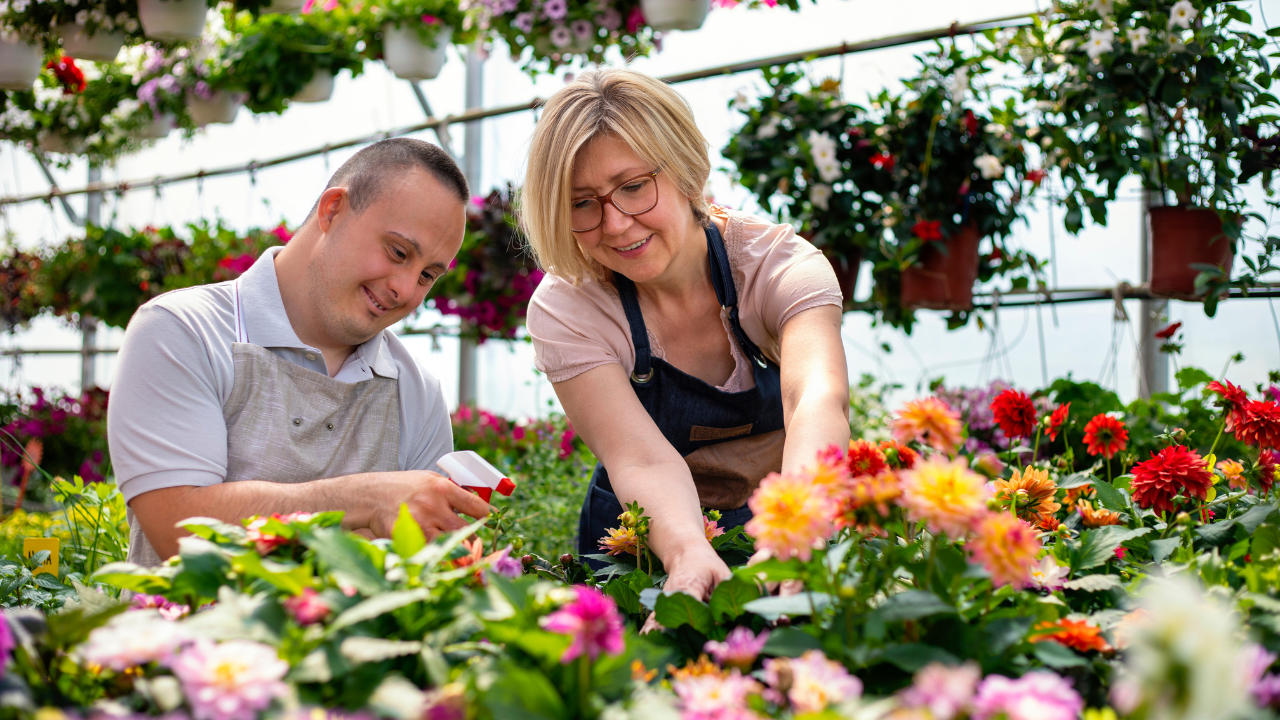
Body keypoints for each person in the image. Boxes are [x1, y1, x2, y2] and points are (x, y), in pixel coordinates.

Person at [522, 69, 851, 600]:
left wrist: (799, 527)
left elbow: (814, 398)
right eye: (582, 203)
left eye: (633, 187)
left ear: (687, 170)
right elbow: (639, 458)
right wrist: (687, 553)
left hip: (781, 515)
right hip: (644, 547)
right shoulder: (568, 307)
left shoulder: (778, 267)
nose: (615, 224)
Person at [108, 138, 491, 566]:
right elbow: (178, 531)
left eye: (427, 276)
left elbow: (424, 568)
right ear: (333, 210)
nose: (405, 289)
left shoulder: (416, 391)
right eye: (398, 252)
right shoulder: (183, 330)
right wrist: (364, 499)